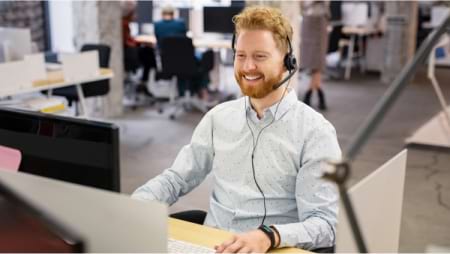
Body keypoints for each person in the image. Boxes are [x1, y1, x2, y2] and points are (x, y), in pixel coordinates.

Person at [132, 6, 341, 253]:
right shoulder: (218, 118)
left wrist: (269, 236)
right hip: (212, 246)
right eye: (240, 55)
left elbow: (326, 224)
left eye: (260, 56)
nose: (248, 67)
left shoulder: (315, 132)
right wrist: (133, 207)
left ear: (287, 62)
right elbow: (176, 178)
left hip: (271, 249)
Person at [300, 1, 330, 110]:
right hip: (307, 22)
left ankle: (309, 94)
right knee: (311, 61)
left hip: (319, 21)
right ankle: (319, 93)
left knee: (318, 61)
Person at [121, 0, 156, 85]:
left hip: (130, 51)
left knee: (148, 50)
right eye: (134, 12)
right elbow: (127, 42)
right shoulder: (123, 24)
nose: (136, 15)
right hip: (129, 54)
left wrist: (139, 42)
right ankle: (145, 80)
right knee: (148, 52)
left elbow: (129, 40)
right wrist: (139, 43)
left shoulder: (125, 24)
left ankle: (145, 80)